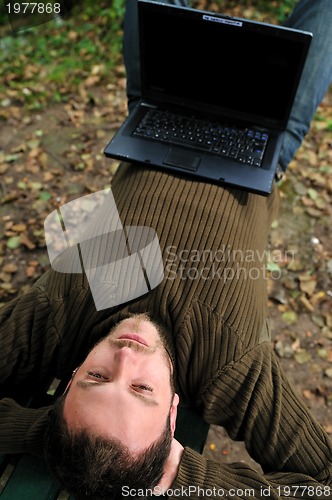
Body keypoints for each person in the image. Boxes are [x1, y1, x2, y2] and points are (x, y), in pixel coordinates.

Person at [0, 0, 332, 499]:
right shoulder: (230, 366)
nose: (125, 357)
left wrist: (44, 434)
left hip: (160, 109)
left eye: (95, 378)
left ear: (67, 381)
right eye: (141, 391)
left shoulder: (55, 314)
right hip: (261, 135)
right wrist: (187, 478)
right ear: (173, 412)